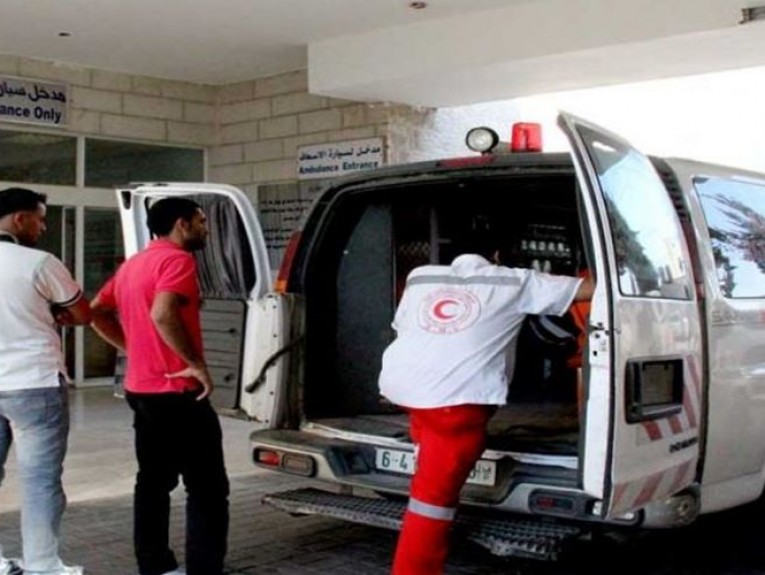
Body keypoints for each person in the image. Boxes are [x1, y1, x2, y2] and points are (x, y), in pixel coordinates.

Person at [378, 247, 594, 575]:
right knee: (430, 505)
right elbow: (592, 290)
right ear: (496, 256)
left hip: (403, 390)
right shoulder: (513, 281)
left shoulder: (421, 277)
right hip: (455, 408)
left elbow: (406, 327)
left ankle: (427, 453)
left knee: (432, 428)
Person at [89, 197, 229, 575]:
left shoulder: (133, 265)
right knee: (207, 488)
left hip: (141, 391)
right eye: (201, 222)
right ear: (182, 224)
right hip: (177, 393)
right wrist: (195, 364)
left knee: (152, 482)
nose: (206, 229)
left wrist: (134, 347)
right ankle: (205, 568)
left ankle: (154, 566)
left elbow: (96, 312)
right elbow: (163, 313)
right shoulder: (178, 261)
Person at [0, 187, 91, 575]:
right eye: (39, 219)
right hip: (34, 382)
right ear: (19, 219)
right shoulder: (39, 262)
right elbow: (82, 313)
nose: (43, 227)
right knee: (40, 481)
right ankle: (42, 566)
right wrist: (51, 313)